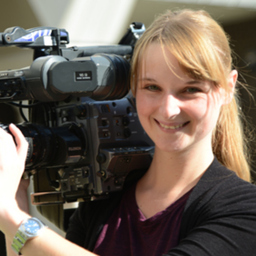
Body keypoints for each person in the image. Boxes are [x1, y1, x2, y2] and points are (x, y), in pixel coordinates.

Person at [1, 8, 256, 256]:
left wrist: (17, 221)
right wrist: (16, 206)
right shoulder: (103, 204)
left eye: (190, 90)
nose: (168, 110)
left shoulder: (244, 209)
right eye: (152, 87)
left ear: (228, 88)